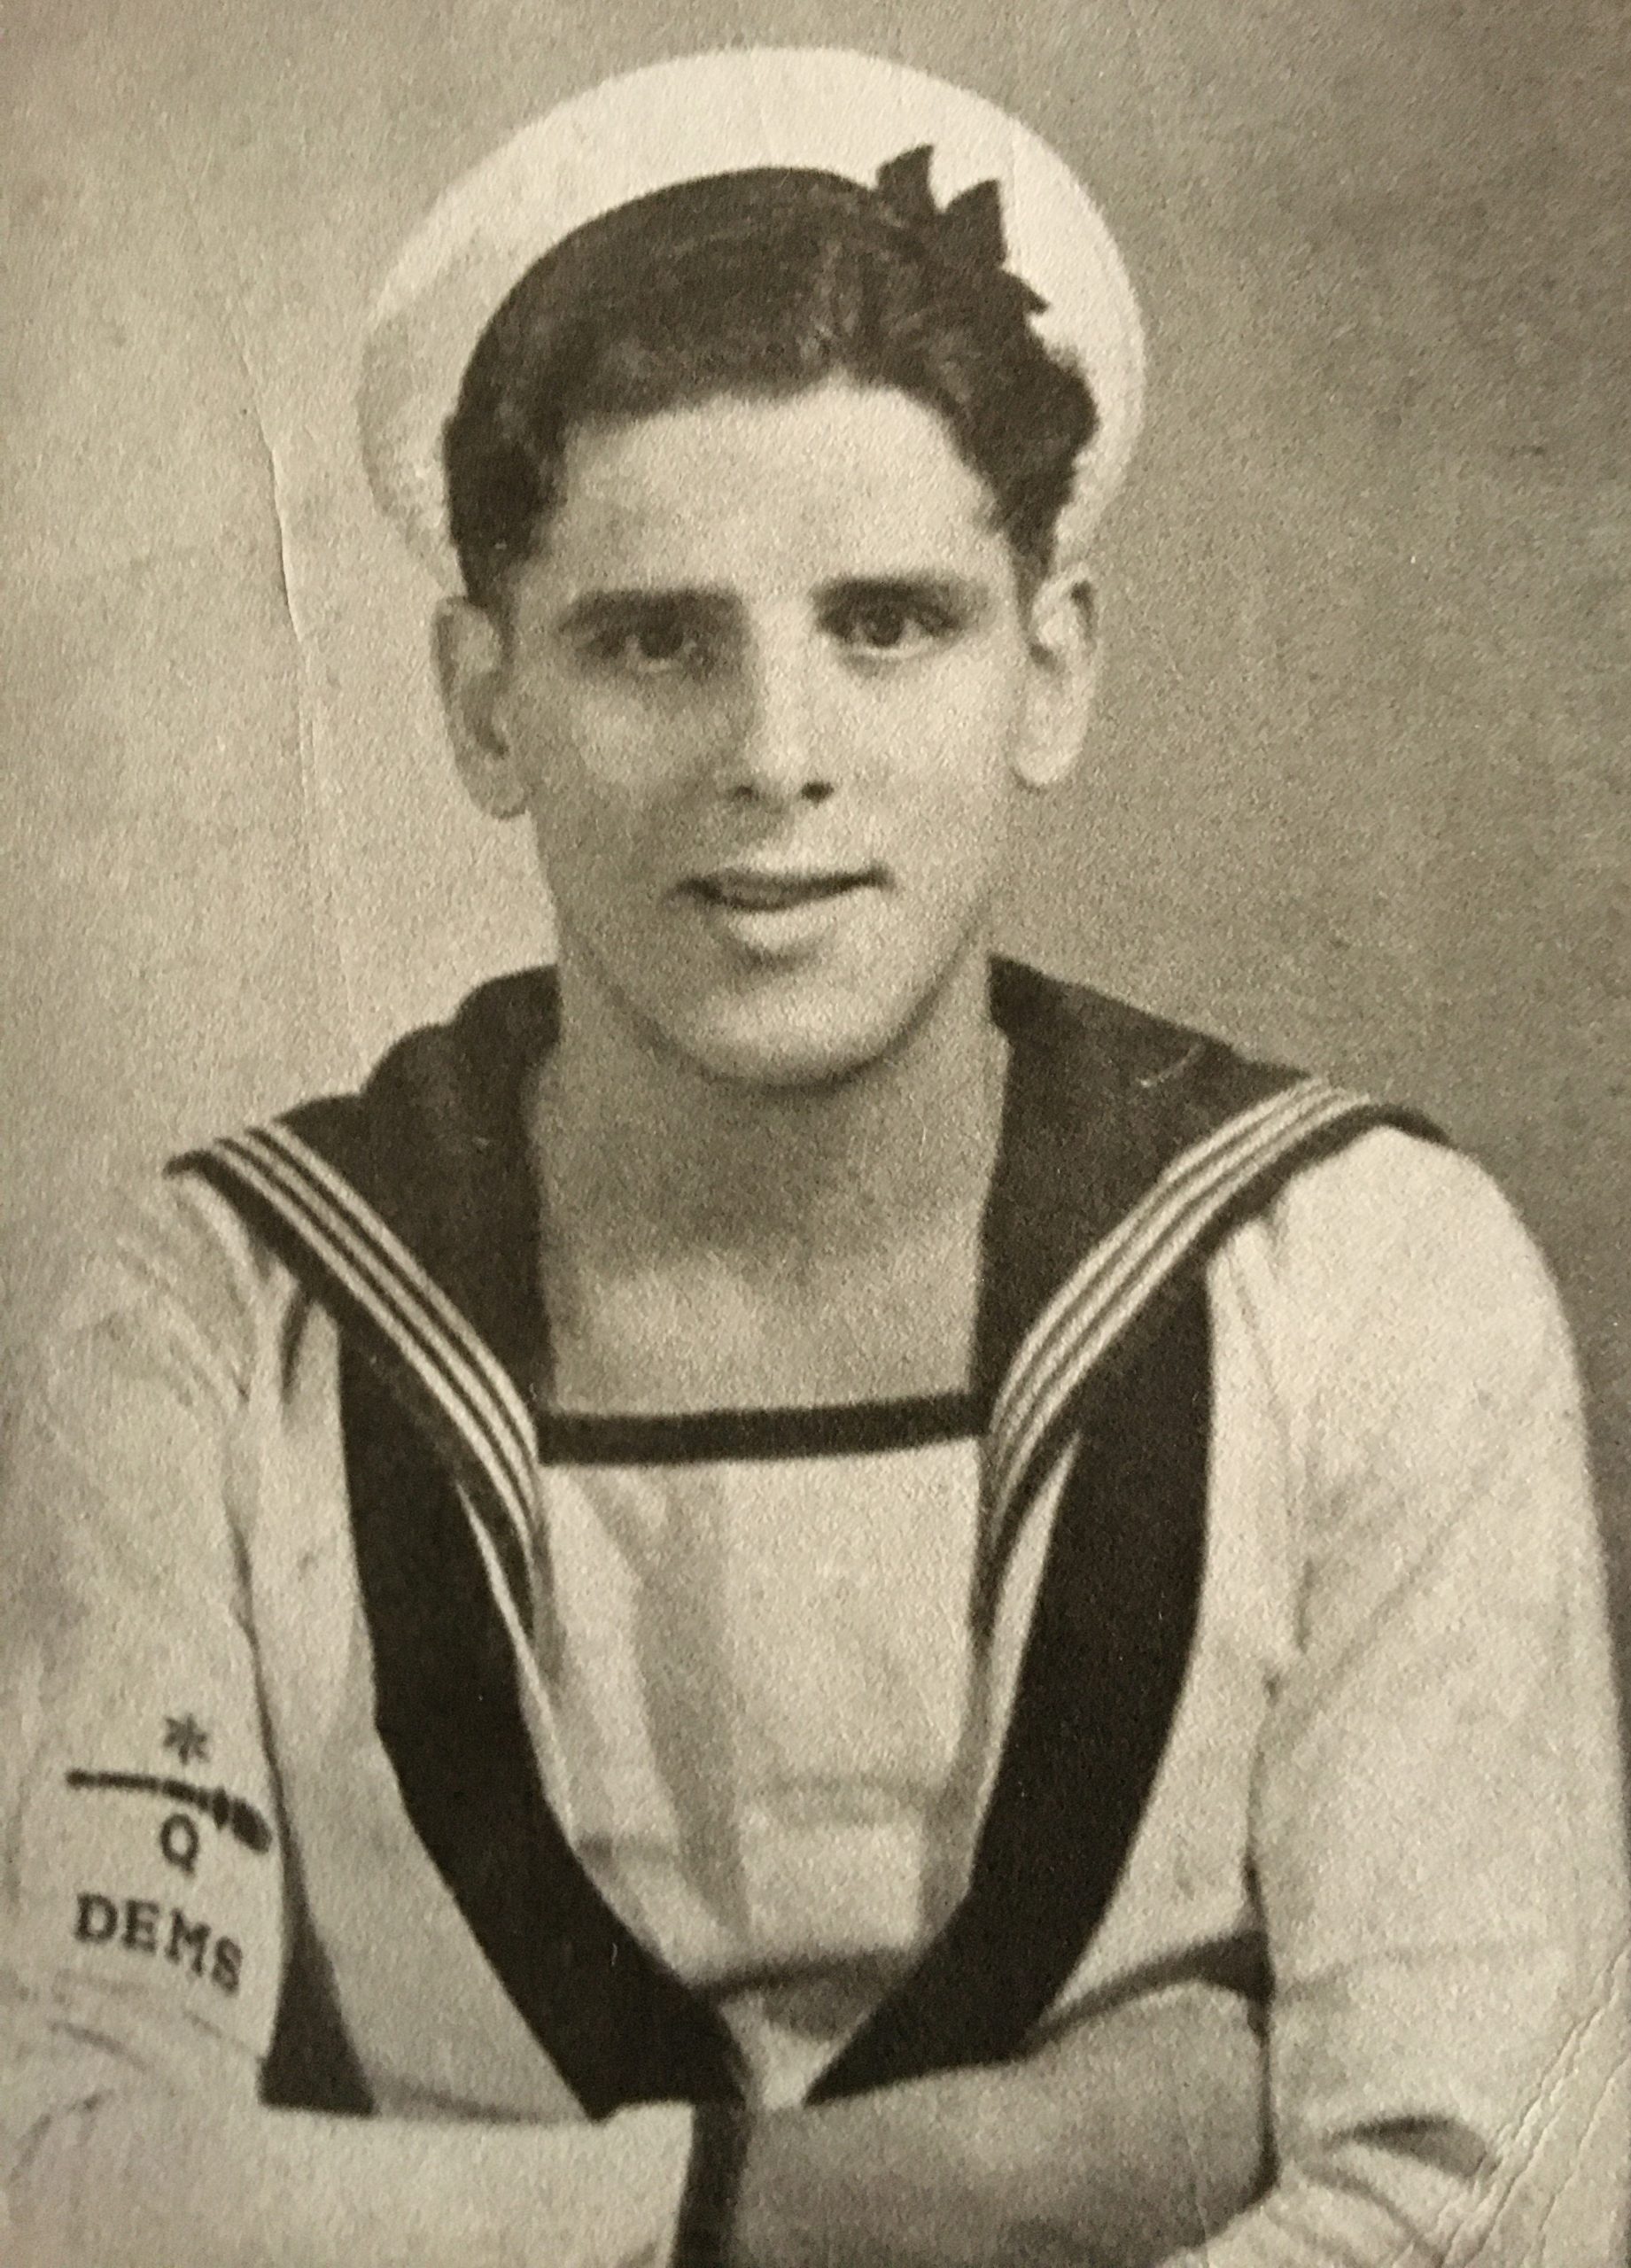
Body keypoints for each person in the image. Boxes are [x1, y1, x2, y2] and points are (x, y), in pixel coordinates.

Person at [0, 44, 1625, 2268]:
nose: (776, 756)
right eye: (652, 640)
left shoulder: (1362, 1278)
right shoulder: (222, 1315)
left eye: (886, 622)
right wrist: (889, 2193)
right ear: (484, 701)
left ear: (1051, 666)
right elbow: (60, 2186)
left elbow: (1496, 2208)